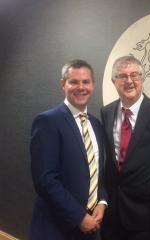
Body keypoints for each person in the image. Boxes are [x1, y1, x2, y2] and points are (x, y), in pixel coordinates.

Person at [30, 59, 107, 240]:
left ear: (93, 85)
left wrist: (102, 201)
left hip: (91, 227)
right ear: (63, 84)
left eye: (86, 82)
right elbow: (45, 180)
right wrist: (79, 217)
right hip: (56, 228)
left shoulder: (96, 125)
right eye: (74, 82)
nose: (81, 87)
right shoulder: (47, 122)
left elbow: (97, 172)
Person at [100, 55, 150, 240]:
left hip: (147, 216)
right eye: (122, 76)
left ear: (142, 79)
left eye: (135, 75)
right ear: (114, 81)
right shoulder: (106, 112)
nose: (129, 81)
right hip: (112, 213)